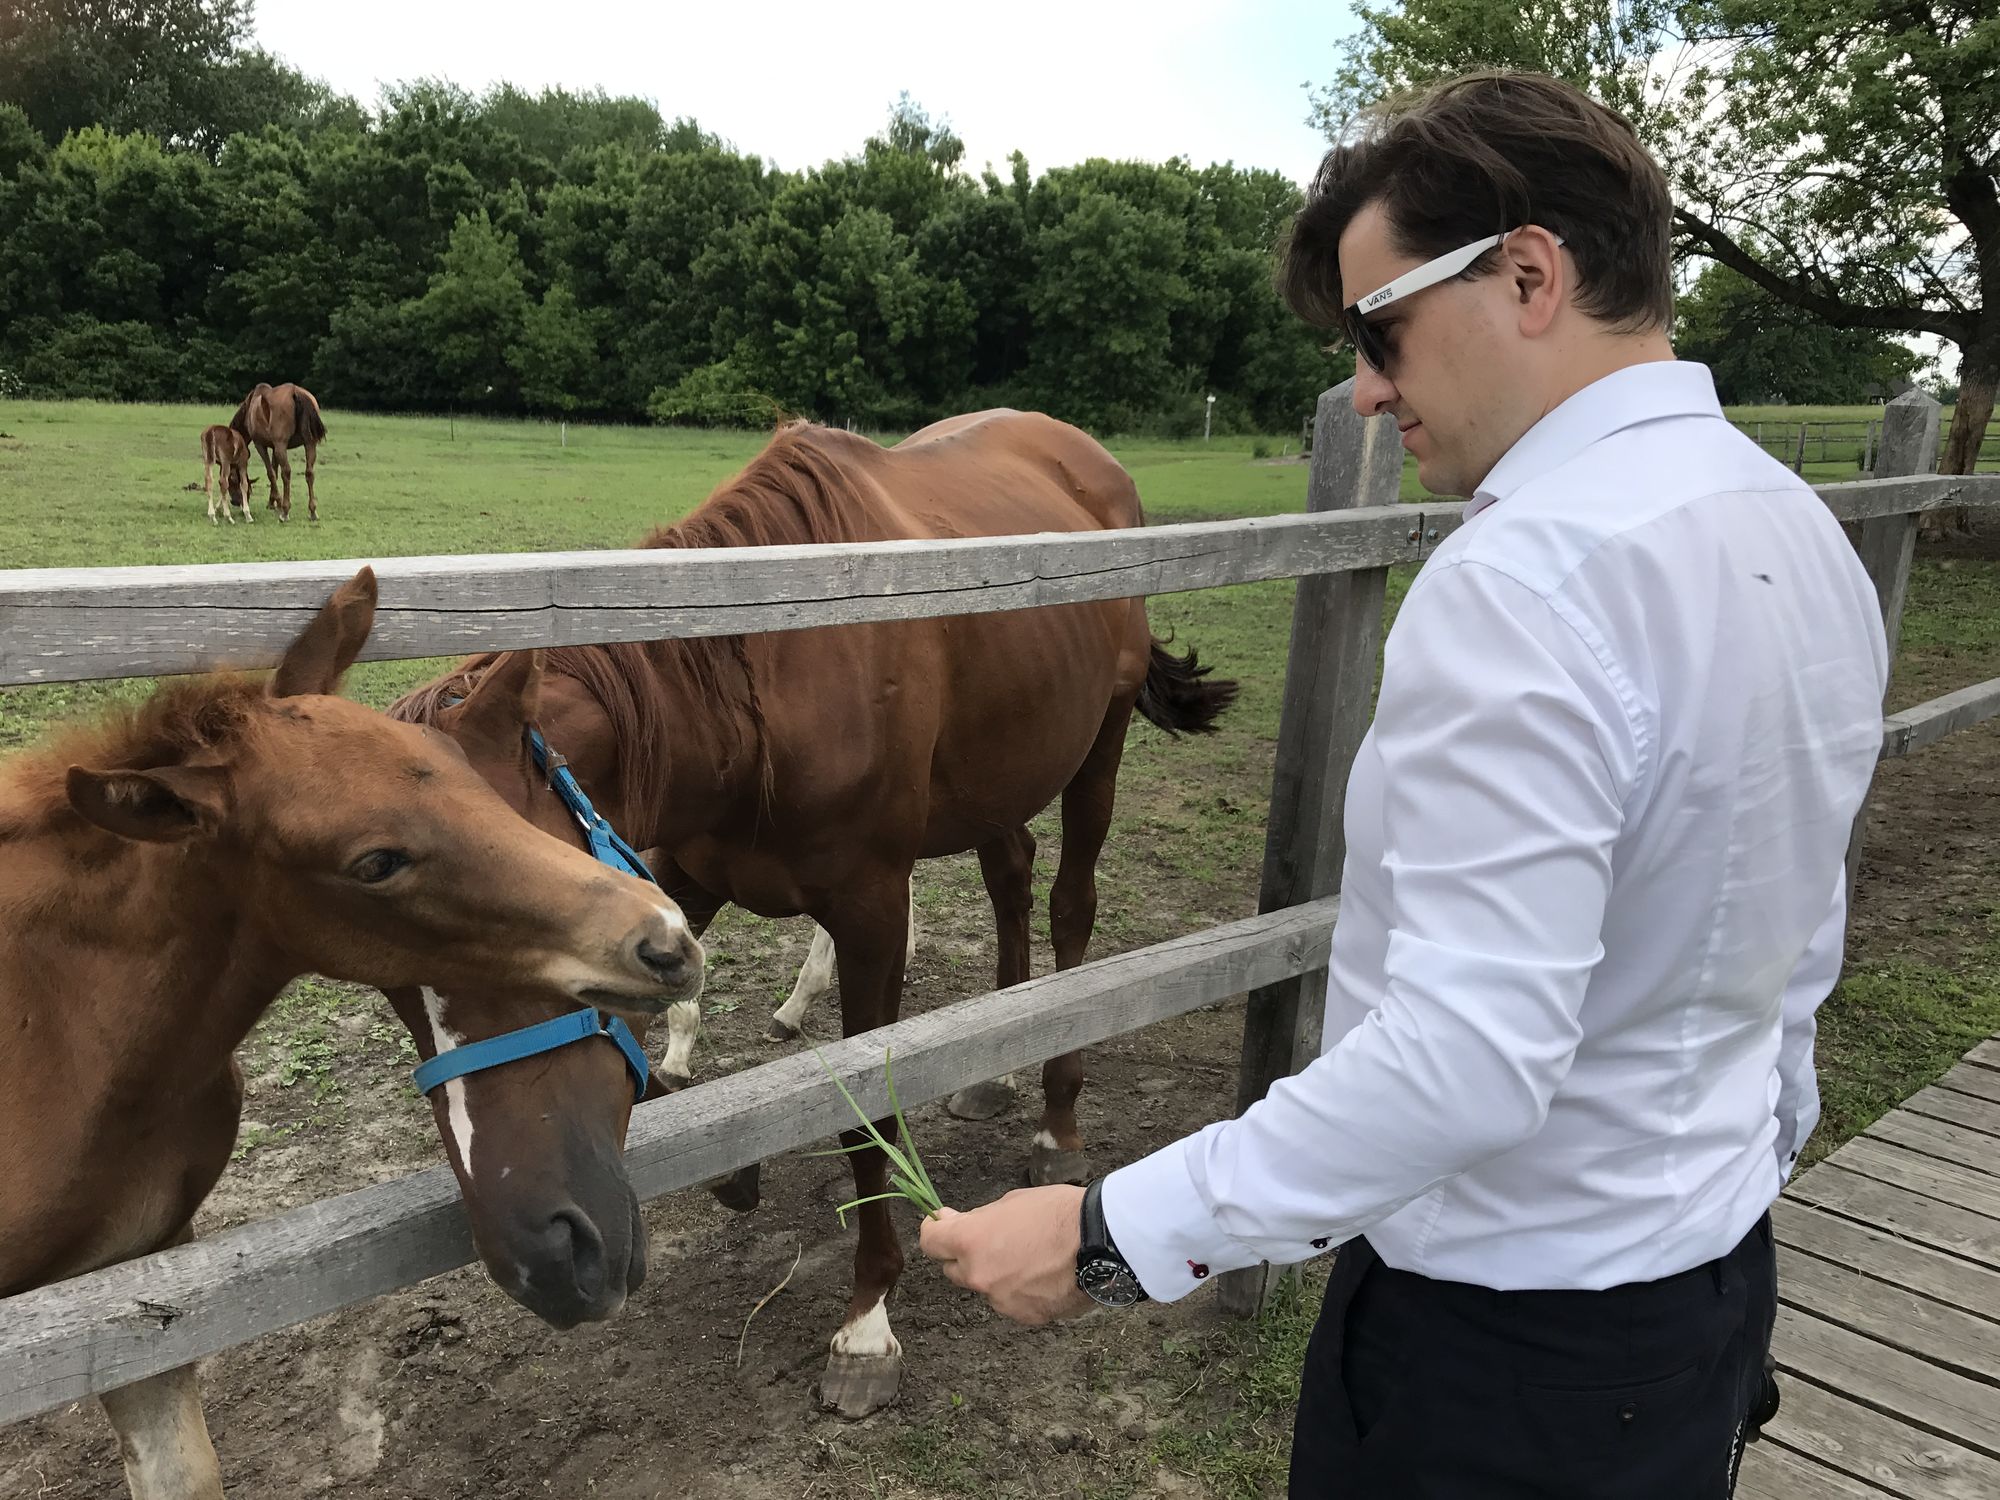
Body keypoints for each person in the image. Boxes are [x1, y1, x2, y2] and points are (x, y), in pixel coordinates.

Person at [918, 69, 1890, 1498]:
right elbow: (1802, 916)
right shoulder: (1795, 530)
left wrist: (1108, 1233)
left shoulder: (1524, 582)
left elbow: (1465, 1061)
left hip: (1503, 1355)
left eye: (1382, 329)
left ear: (1529, 275)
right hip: (1709, 1283)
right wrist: (1746, 1155)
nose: (1369, 388)